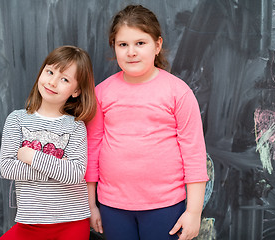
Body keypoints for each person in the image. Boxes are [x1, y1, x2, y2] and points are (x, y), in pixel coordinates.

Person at [85, 5, 209, 240]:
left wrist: (193, 212)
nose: (131, 52)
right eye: (123, 45)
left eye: (140, 43)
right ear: (115, 47)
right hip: (113, 206)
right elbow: (92, 150)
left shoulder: (178, 92)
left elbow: (194, 154)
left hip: (165, 206)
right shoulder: (101, 94)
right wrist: (91, 205)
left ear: (157, 45)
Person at [0, 45, 97, 240]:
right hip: (30, 223)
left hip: (72, 222)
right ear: (41, 72)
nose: (52, 82)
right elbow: (8, 168)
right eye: (50, 72)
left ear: (76, 91)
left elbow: (75, 173)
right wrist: (58, 167)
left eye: (64, 79)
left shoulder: (75, 127)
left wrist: (30, 155)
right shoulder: (17, 120)